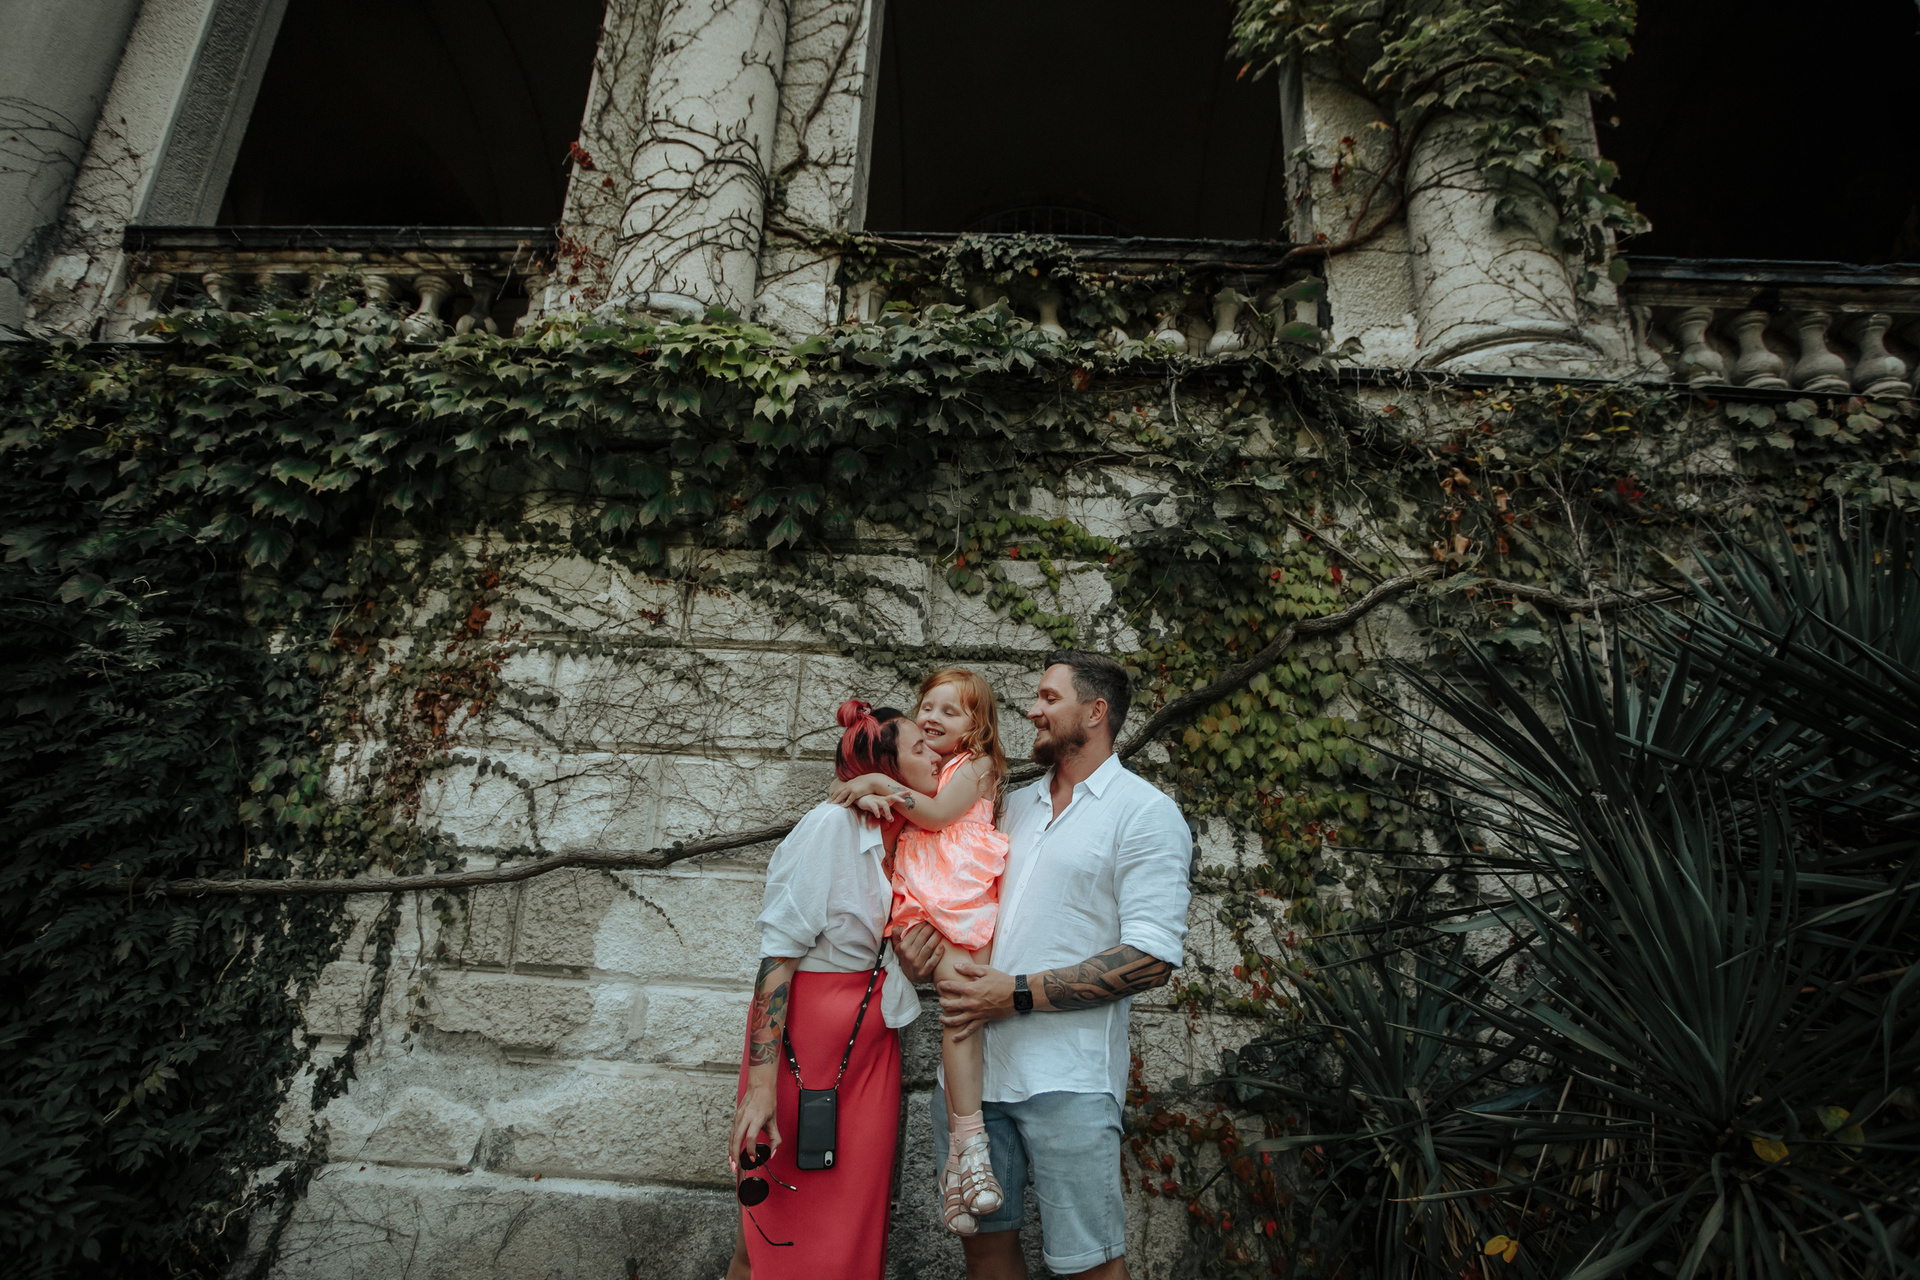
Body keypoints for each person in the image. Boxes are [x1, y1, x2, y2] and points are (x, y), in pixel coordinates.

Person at [931, 650, 1194, 1280]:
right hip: (972, 1081)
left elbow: (1152, 958)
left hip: (1069, 1083)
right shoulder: (1010, 805)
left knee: (1090, 1267)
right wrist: (924, 947)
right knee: (986, 1258)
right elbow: (958, 901)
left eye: (1050, 698)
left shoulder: (1145, 812)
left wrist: (1016, 993)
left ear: (1095, 712)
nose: (1032, 710)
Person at [724, 700, 943, 1280]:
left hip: (871, 1054)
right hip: (806, 1050)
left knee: (851, 1229)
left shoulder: (914, 836)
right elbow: (777, 959)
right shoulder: (831, 827)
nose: (937, 756)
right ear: (887, 768)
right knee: (780, 1232)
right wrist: (762, 1089)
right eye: (920, 748)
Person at [829, 668, 1012, 1235]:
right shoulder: (925, 768)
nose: (931, 717)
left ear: (977, 728)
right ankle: (967, 1157)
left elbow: (932, 815)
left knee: (962, 1014)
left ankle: (963, 1157)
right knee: (956, 1014)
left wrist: (874, 783)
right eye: (927, 706)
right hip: (923, 901)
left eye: (949, 712)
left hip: (961, 903)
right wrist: (871, 783)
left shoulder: (977, 766)